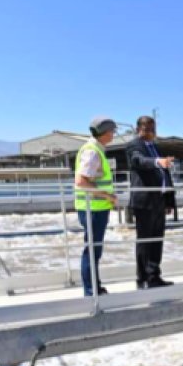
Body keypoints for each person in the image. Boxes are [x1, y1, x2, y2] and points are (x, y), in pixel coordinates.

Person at [127, 115, 176, 289]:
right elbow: (138, 161)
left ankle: (154, 276)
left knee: (157, 240)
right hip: (144, 201)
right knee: (144, 241)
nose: (151, 132)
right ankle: (142, 279)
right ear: (138, 129)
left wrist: (169, 200)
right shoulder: (135, 145)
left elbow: (165, 175)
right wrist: (158, 162)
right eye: (147, 129)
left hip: (159, 201)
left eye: (153, 128)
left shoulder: (156, 147)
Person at [74, 116, 118, 296]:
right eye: (112, 132)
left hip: (96, 207)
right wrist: (107, 195)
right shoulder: (92, 151)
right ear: (105, 133)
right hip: (93, 209)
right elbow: (82, 182)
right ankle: (91, 291)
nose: (114, 135)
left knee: (94, 249)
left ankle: (95, 286)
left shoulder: (95, 149)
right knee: (92, 250)